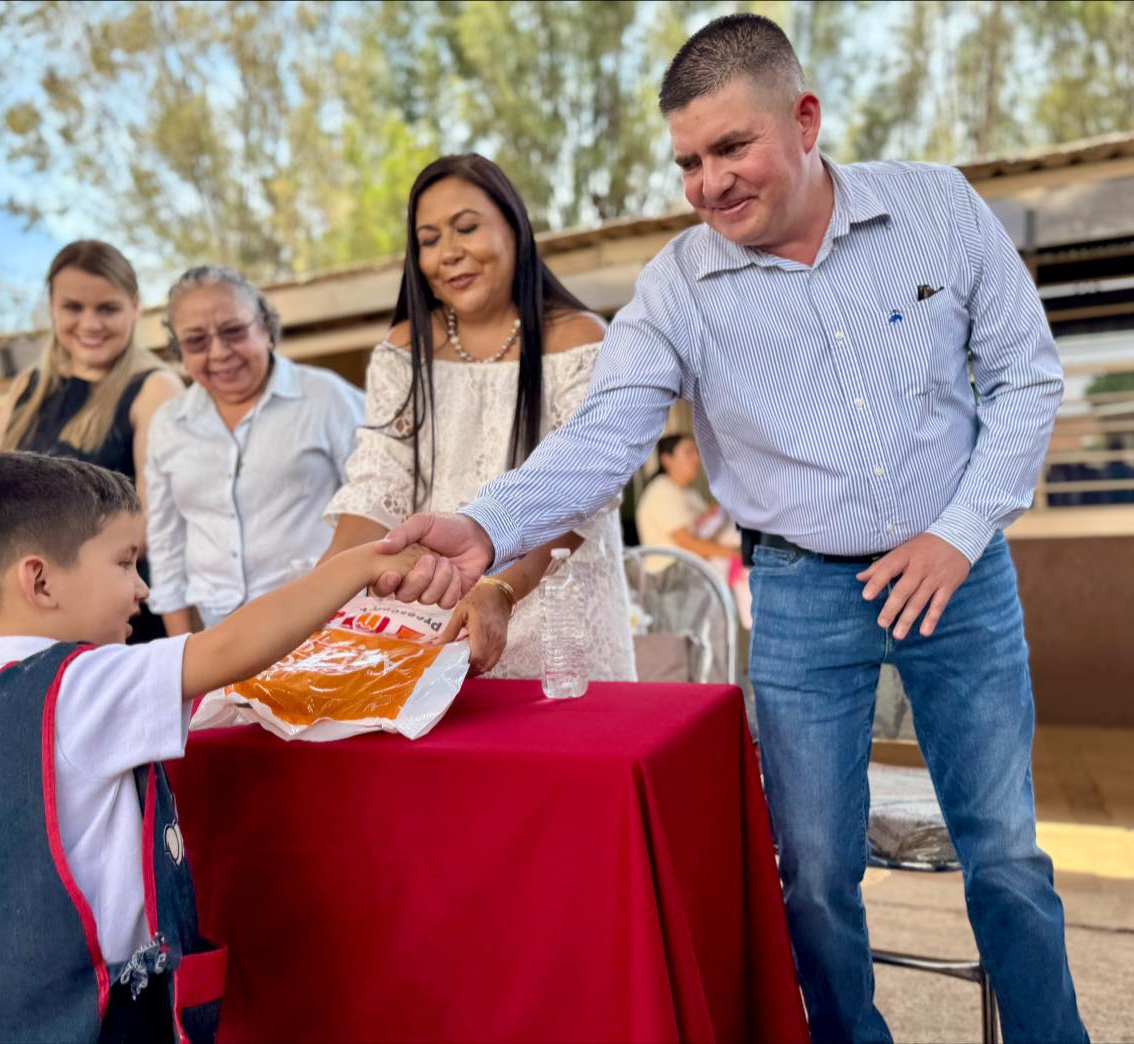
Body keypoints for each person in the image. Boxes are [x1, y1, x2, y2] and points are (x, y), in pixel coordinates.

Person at [375, 14, 1087, 1044]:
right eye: (688, 162)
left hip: (961, 572)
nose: (708, 183)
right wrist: (486, 527)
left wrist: (961, 530)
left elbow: (1027, 377)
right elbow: (604, 437)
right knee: (812, 873)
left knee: (1007, 856)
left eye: (729, 148)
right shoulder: (677, 287)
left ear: (805, 120)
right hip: (801, 593)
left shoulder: (937, 207)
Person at [0, 451, 421, 1042]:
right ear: (41, 582)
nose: (143, 588)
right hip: (98, 1021)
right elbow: (230, 648)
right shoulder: (77, 685)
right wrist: (360, 565)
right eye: (124, 562)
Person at [320, 154, 635, 680]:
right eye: (428, 239)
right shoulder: (403, 350)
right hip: (438, 619)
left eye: (466, 228)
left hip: (557, 614)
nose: (449, 253)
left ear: (515, 228)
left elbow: (587, 489)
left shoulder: (580, 339)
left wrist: (501, 589)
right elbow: (377, 487)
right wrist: (318, 591)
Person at [145, 266, 364, 633]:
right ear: (179, 351)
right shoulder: (169, 424)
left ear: (265, 327)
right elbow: (166, 542)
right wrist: (180, 648)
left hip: (325, 625)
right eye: (196, 341)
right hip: (220, 636)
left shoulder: (327, 398)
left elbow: (380, 502)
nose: (219, 352)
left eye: (233, 331)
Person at [0, 239, 184, 643]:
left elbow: (152, 525)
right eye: (73, 307)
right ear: (51, 306)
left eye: (107, 308)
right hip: (35, 618)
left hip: (122, 625)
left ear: (135, 306)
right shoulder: (28, 387)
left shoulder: (156, 388)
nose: (90, 323)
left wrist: (48, 569)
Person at [635, 433, 752, 628]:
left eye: (696, 452)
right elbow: (688, 543)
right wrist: (736, 552)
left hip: (694, 570)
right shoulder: (661, 491)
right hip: (670, 578)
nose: (697, 458)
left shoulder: (689, 494)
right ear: (667, 459)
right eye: (688, 452)